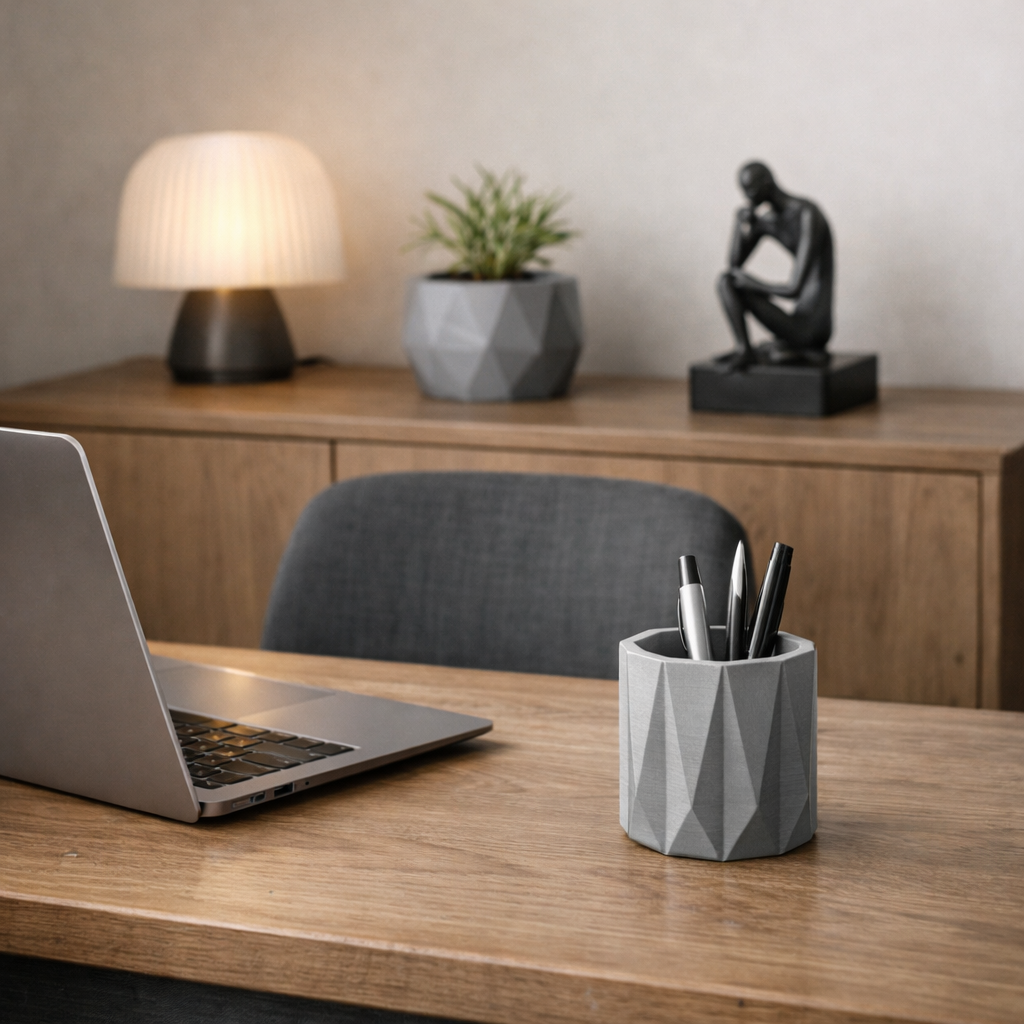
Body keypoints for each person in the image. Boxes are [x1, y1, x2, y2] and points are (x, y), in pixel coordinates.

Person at [716, 162, 833, 369]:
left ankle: (757, 351)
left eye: (750, 191)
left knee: (736, 283)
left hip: (812, 327)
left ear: (767, 184)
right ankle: (744, 349)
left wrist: (754, 284)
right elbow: (734, 265)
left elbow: (793, 289)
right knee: (726, 281)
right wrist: (739, 225)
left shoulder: (807, 214)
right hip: (796, 319)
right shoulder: (769, 221)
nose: (747, 197)